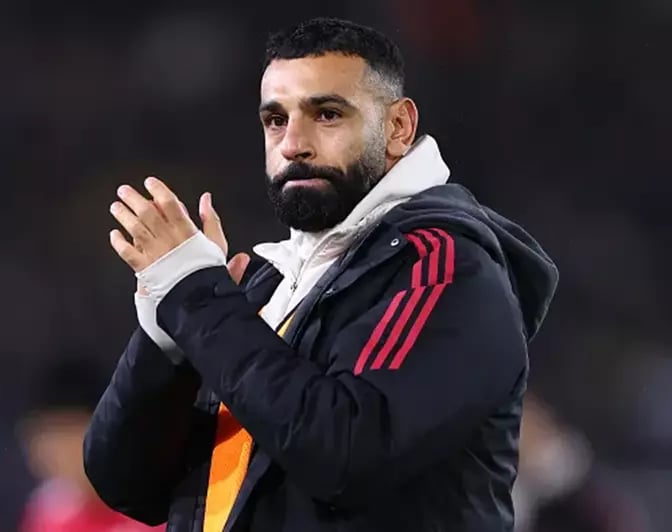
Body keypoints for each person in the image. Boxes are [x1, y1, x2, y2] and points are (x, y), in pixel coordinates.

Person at [84, 17, 558, 531]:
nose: (293, 144)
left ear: (398, 127)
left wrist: (196, 298)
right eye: (275, 120)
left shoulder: (444, 268)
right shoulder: (264, 284)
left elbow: (346, 452)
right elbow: (125, 483)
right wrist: (166, 331)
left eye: (327, 114)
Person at [18, 357, 164, 532]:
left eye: (69, 433)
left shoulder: (158, 505)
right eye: (47, 437)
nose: (59, 453)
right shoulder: (48, 510)